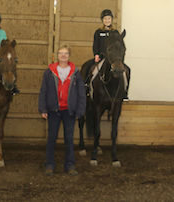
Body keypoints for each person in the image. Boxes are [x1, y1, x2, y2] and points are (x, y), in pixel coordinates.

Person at [38, 45, 86, 176]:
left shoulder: (75, 72)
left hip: (69, 111)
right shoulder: (49, 71)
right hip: (54, 110)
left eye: (66, 53)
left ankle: (70, 165)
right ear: (57, 56)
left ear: (69, 56)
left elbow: (81, 92)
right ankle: (49, 164)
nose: (63, 56)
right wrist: (43, 108)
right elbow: (43, 91)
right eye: (61, 53)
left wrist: (80, 110)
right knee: (51, 138)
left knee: (69, 139)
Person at [87, 9, 129, 99]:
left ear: (111, 19)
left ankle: (124, 92)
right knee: (88, 68)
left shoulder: (115, 33)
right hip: (101, 57)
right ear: (102, 20)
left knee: (127, 70)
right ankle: (87, 87)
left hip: (113, 59)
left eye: (109, 19)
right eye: (105, 19)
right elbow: (96, 44)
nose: (107, 20)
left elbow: (119, 46)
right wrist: (96, 55)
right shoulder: (98, 32)